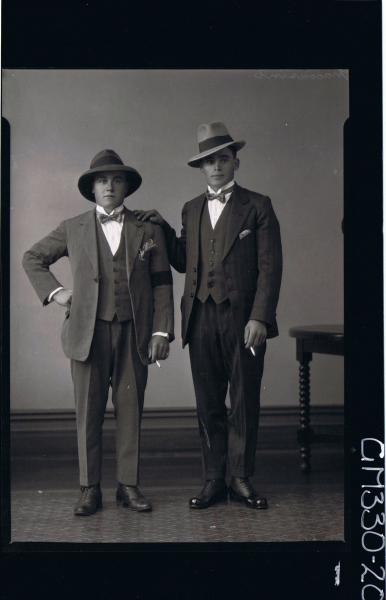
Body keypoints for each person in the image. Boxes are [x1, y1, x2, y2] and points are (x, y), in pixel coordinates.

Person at [135, 122, 282, 510]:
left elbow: (270, 267)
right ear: (201, 169)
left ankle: (241, 478)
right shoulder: (191, 208)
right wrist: (163, 229)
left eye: (223, 159)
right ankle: (214, 479)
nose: (216, 166)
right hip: (199, 316)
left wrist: (260, 318)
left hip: (243, 318)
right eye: (209, 161)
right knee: (208, 402)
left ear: (236, 162)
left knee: (245, 400)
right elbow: (184, 261)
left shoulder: (259, 205)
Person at [22, 149, 174, 516]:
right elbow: (32, 258)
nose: (109, 186)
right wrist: (57, 293)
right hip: (87, 334)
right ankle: (90, 489)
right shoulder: (72, 227)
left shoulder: (147, 229)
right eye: (102, 180)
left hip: (134, 333)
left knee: (130, 409)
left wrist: (162, 332)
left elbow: (162, 282)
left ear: (126, 187)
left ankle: (128, 486)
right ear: (92, 188)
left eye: (117, 179)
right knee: (88, 412)